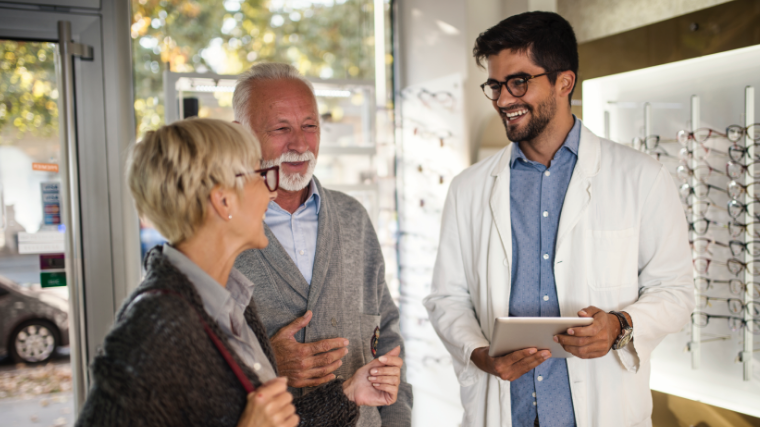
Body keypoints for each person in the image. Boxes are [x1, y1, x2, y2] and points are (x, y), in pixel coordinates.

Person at [423, 11, 694, 427]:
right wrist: (479, 353)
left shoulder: (641, 177)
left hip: (603, 410)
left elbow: (675, 292)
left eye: (518, 82)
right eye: (495, 85)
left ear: (564, 82)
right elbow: (447, 298)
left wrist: (620, 326)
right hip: (505, 412)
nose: (502, 100)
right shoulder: (469, 188)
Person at [75, 118, 404, 427]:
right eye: (261, 175)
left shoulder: (234, 302)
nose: (272, 191)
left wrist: (349, 393)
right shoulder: (152, 326)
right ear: (223, 201)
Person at [232, 63, 412, 427]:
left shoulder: (352, 216)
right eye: (281, 128)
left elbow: (387, 332)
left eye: (310, 126)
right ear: (241, 135)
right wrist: (267, 361)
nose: (299, 143)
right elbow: (199, 363)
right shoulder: (222, 229)